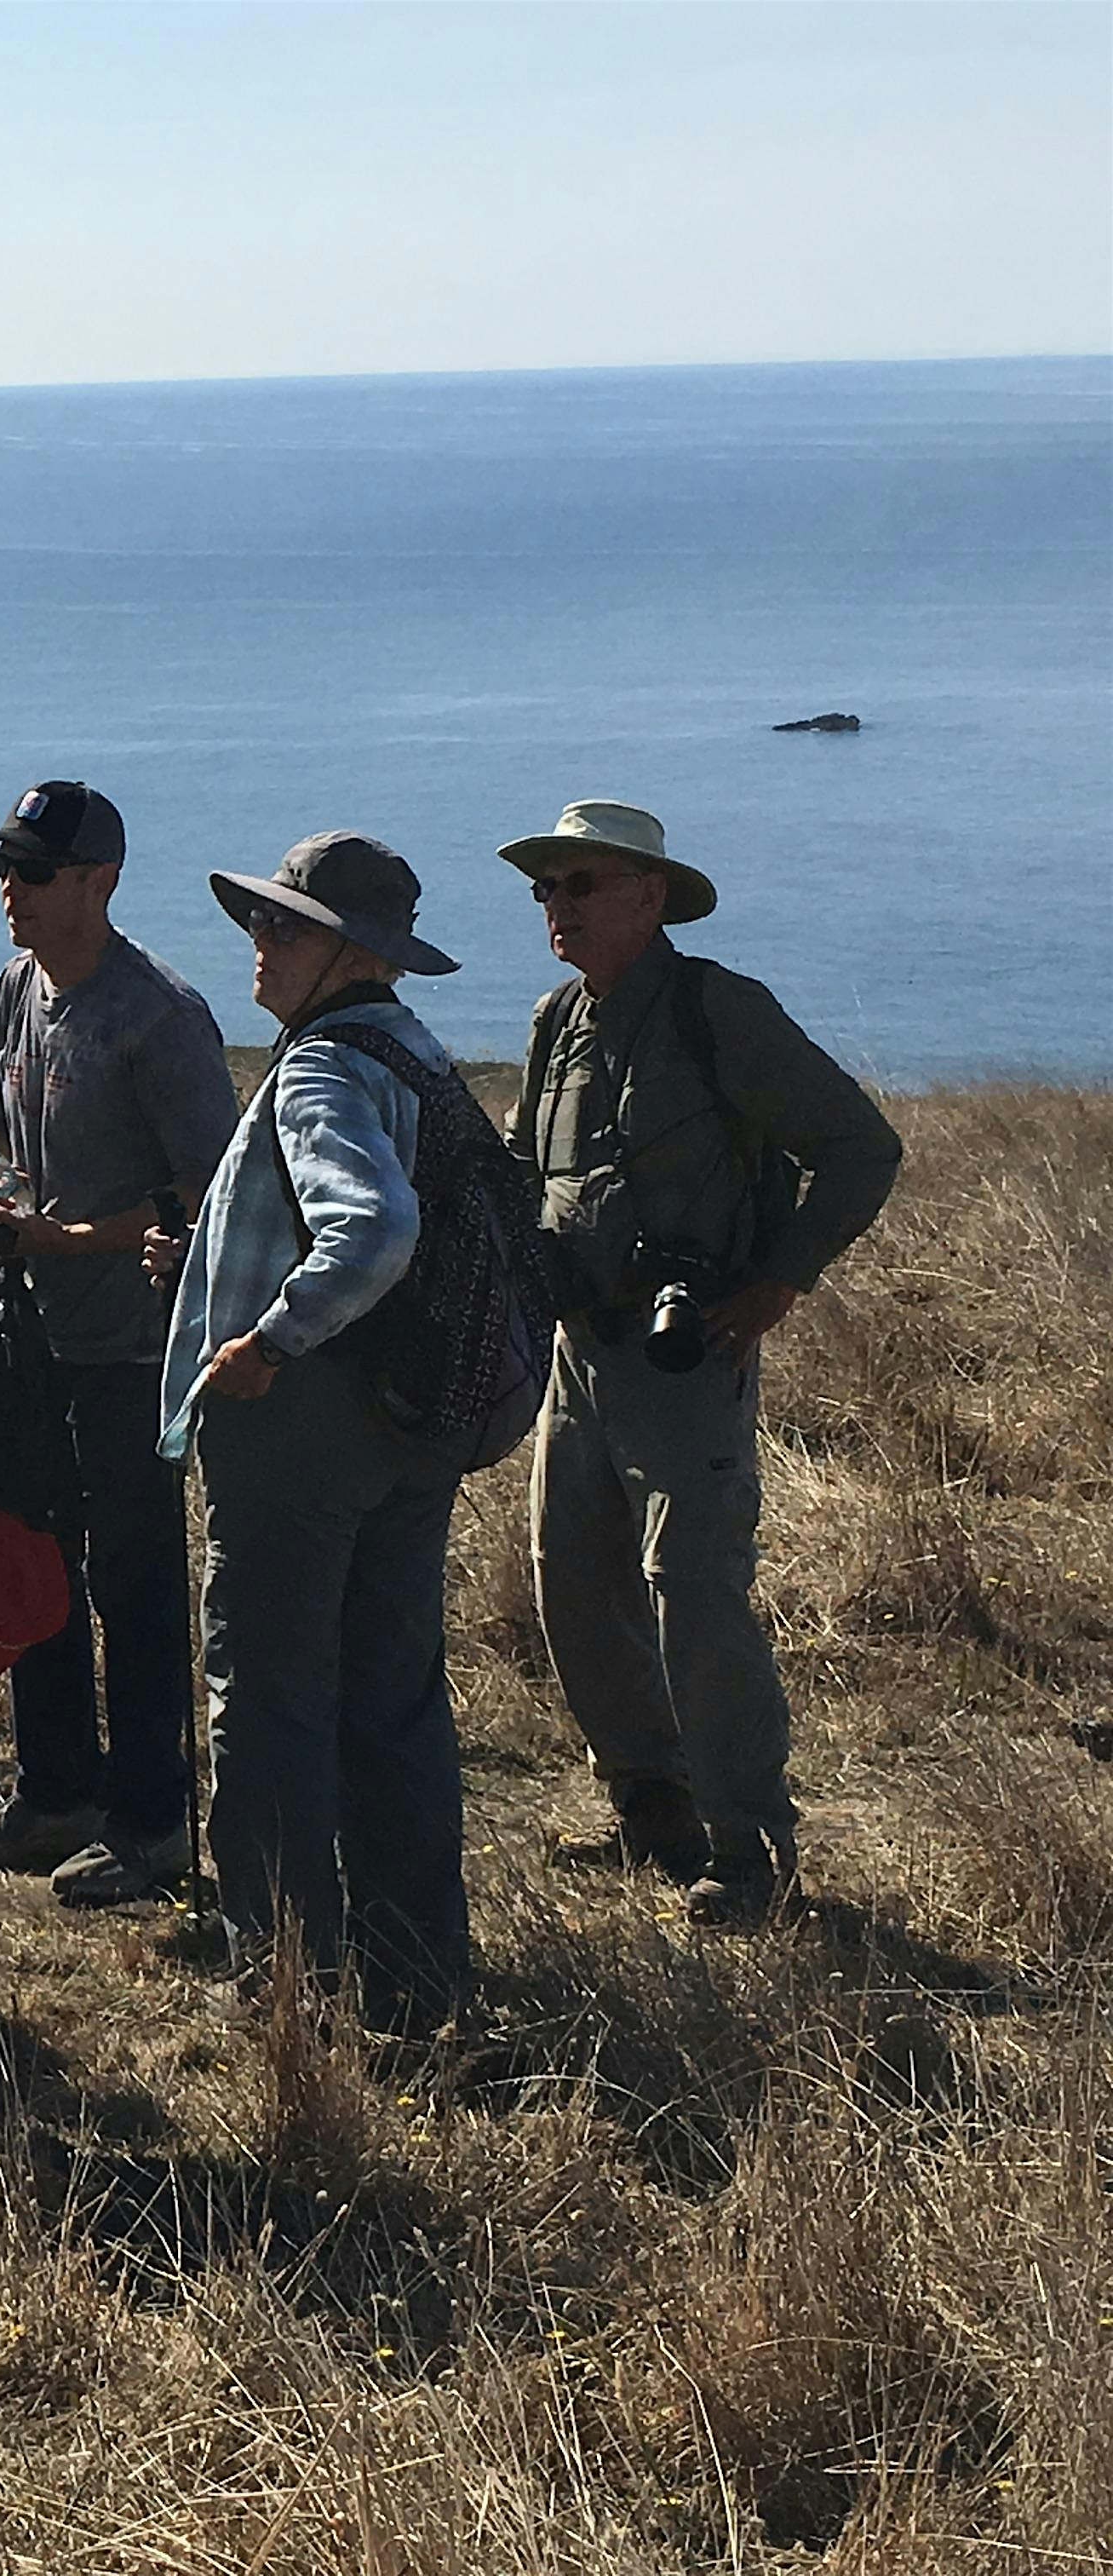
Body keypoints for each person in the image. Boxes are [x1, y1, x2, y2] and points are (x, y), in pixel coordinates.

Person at [499, 800, 901, 1924]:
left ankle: (751, 1848)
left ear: (649, 895)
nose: (557, 907)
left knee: (694, 1593)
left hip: (686, 1356)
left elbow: (861, 1148)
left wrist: (783, 1278)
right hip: (580, 1351)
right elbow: (528, 1168)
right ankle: (651, 1812)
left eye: (580, 885)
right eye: (546, 889)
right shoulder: (555, 1022)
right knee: (572, 1581)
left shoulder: (719, 1010)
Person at [153, 831, 472, 2033]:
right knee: (392, 1696)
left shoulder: (320, 1070)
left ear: (353, 953)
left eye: (284, 927)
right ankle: (416, 1975)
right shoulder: (414, 1051)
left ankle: (285, 1983)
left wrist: (269, 1340)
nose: (259, 944)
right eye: (261, 921)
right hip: (407, 1411)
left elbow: (374, 1228)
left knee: (270, 1698)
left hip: (307, 1421)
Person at [0, 780, 239, 1906]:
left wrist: (67, 1238)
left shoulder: (158, 1017)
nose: (8, 888)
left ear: (100, 882)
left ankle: (153, 1822)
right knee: (32, 1556)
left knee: (136, 1582)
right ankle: (55, 1790)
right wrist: (7, 1197)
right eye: (3, 867)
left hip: (132, 1350)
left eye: (33, 871)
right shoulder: (20, 985)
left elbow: (211, 1191)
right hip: (31, 1340)